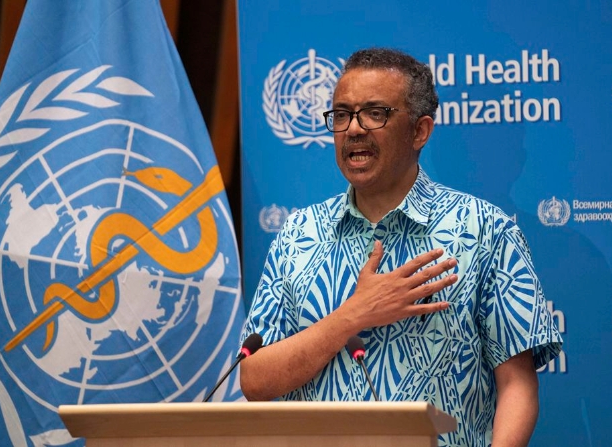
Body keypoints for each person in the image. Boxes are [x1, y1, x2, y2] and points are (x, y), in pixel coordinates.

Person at [240, 47, 563, 447]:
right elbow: (254, 380)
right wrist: (352, 316)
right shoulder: (298, 234)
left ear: (419, 131)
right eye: (342, 115)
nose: (353, 129)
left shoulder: (485, 230)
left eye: (375, 113)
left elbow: (517, 385)